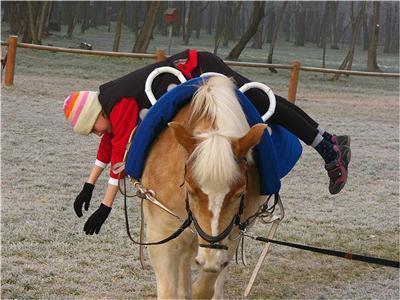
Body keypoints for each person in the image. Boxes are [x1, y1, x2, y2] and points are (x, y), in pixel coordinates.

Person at [63, 49, 351, 235]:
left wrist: (106, 206)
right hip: (193, 71)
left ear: (97, 114)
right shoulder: (110, 104)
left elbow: (118, 156)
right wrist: (88, 185)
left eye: (92, 128)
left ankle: (328, 147)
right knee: (266, 103)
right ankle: (328, 142)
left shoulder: (121, 105)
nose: (95, 134)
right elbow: (110, 144)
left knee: (264, 103)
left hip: (200, 68)